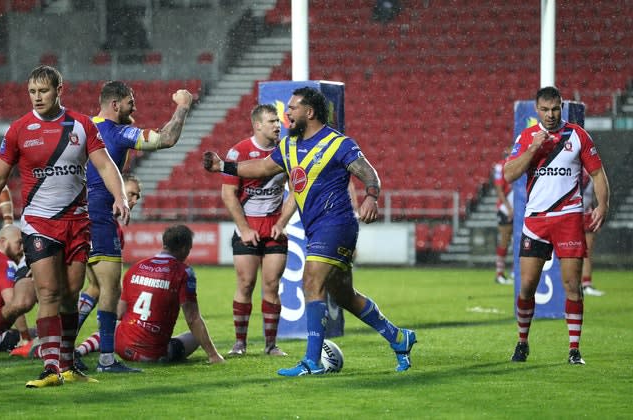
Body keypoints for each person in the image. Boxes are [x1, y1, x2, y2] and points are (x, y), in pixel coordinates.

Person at [203, 86, 416, 376]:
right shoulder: (289, 145)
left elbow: (368, 171)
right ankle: (399, 337)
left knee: (311, 282)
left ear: (310, 112)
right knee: (343, 295)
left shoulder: (337, 143)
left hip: (337, 223)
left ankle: (312, 362)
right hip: (316, 227)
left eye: (292, 108)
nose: (286, 113)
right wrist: (222, 166)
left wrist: (371, 196)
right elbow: (262, 167)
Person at [0, 65, 130, 388]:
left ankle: (67, 365)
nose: (37, 97)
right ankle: (50, 368)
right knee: (49, 293)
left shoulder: (81, 125)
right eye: (32, 92)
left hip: (77, 223)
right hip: (39, 224)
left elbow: (105, 165)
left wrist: (120, 197)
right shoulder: (18, 130)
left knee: (71, 294)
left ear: (59, 90)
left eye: (43, 91)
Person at [81, 81, 192, 373]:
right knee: (110, 289)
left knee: (78, 287)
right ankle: (105, 359)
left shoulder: (82, 126)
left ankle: (59, 351)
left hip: (74, 214)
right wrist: (183, 106)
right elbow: (165, 139)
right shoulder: (116, 132)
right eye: (131, 102)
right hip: (98, 216)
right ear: (115, 105)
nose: (136, 107)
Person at [504, 86, 609, 365]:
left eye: (555, 109)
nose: (550, 115)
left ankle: (574, 349)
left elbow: (598, 174)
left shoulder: (577, 135)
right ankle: (522, 342)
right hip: (536, 220)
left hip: (569, 218)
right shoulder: (527, 137)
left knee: (573, 285)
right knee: (526, 286)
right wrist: (534, 148)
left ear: (561, 107)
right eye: (545, 109)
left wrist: (603, 205)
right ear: (536, 110)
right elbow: (509, 173)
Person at [76, 225, 224, 365]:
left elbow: (120, 313)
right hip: (152, 354)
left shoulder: (136, 267)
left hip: (122, 348)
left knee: (113, 327)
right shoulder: (183, 272)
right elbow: (193, 318)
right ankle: (211, 356)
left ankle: (80, 350)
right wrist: (213, 355)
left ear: (164, 243)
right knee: (195, 336)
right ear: (184, 248)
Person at [221, 104, 295, 357]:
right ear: (258, 125)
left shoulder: (287, 151)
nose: (278, 125)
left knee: (272, 284)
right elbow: (228, 194)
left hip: (273, 229)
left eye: (279, 121)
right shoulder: (238, 152)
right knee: (245, 283)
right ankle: (240, 343)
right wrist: (243, 229)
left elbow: (297, 191)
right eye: (272, 121)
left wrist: (281, 223)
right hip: (247, 229)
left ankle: (271, 345)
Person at [77, 173, 142, 330]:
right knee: (110, 289)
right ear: (117, 186)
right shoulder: (94, 214)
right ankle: (106, 352)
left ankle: (64, 340)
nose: (134, 201)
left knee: (95, 288)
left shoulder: (116, 230)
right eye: (131, 194)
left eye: (137, 197)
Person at [0, 225, 29, 349]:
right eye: (19, 243)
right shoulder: (5, 263)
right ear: (3, 242)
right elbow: (13, 304)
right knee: (42, 334)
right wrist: (26, 338)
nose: (22, 249)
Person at [580, 169, 605, 296]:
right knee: (571, 252)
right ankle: (578, 283)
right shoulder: (578, 169)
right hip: (572, 215)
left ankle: (586, 283)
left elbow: (593, 194)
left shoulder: (590, 170)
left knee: (587, 252)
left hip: (587, 214)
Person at [493, 149, 514, 285]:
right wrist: (508, 208)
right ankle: (499, 273)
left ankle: (515, 271)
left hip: (518, 209)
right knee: (505, 241)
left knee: (521, 242)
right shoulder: (501, 166)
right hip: (505, 209)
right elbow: (499, 189)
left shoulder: (519, 165)